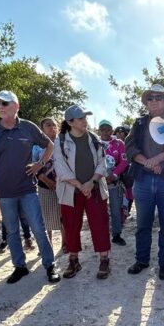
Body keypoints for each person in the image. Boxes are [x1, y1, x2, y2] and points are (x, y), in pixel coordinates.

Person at [0, 90, 60, 284]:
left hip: (27, 189)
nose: (0, 107)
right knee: (12, 231)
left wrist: (39, 164)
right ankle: (20, 267)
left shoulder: (28, 127)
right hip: (4, 192)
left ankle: (50, 265)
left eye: (4, 103)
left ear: (16, 106)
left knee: (38, 229)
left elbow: (50, 145)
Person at [124, 84, 164, 280]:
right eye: (150, 98)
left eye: (158, 97)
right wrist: (146, 162)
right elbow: (129, 147)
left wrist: (159, 159)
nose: (153, 100)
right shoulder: (138, 123)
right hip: (144, 179)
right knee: (142, 224)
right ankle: (142, 260)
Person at [52, 105, 111, 279]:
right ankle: (73, 260)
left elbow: (102, 162)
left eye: (85, 118)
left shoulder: (93, 139)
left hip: (94, 189)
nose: (85, 121)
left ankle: (104, 259)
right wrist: (80, 185)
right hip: (71, 191)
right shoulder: (60, 141)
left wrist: (91, 182)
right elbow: (60, 168)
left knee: (100, 224)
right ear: (70, 122)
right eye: (81, 119)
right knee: (71, 226)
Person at [32, 117, 63, 251]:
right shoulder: (36, 146)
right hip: (44, 185)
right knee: (46, 217)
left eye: (54, 125)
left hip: (64, 185)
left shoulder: (63, 143)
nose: (52, 127)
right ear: (42, 129)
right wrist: (43, 178)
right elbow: (32, 165)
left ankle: (65, 244)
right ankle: (47, 245)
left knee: (64, 216)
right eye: (48, 125)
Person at [97, 119, 129, 245]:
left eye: (108, 128)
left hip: (114, 181)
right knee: (100, 210)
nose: (105, 131)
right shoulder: (95, 143)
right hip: (98, 182)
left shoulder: (119, 143)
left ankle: (116, 234)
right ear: (99, 130)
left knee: (116, 209)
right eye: (103, 128)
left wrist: (114, 174)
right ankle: (101, 234)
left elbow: (124, 161)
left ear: (112, 129)